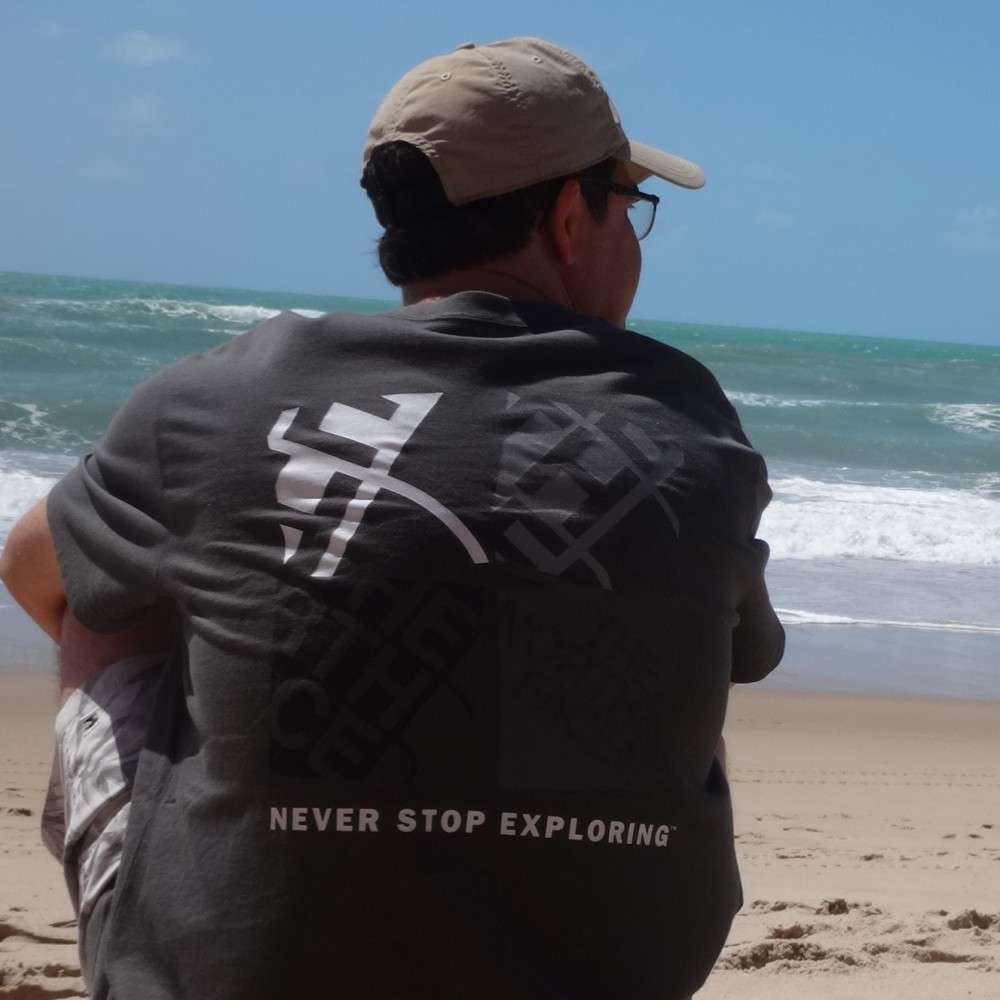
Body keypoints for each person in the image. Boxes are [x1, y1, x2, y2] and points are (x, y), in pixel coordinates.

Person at [0, 37, 784, 1000]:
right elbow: (736, 656)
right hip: (607, 974)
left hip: (235, 980)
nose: (633, 234)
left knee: (110, 588)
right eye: (628, 203)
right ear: (568, 219)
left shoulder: (223, 395)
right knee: (660, 631)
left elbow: (30, 564)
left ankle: (181, 912)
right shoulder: (690, 416)